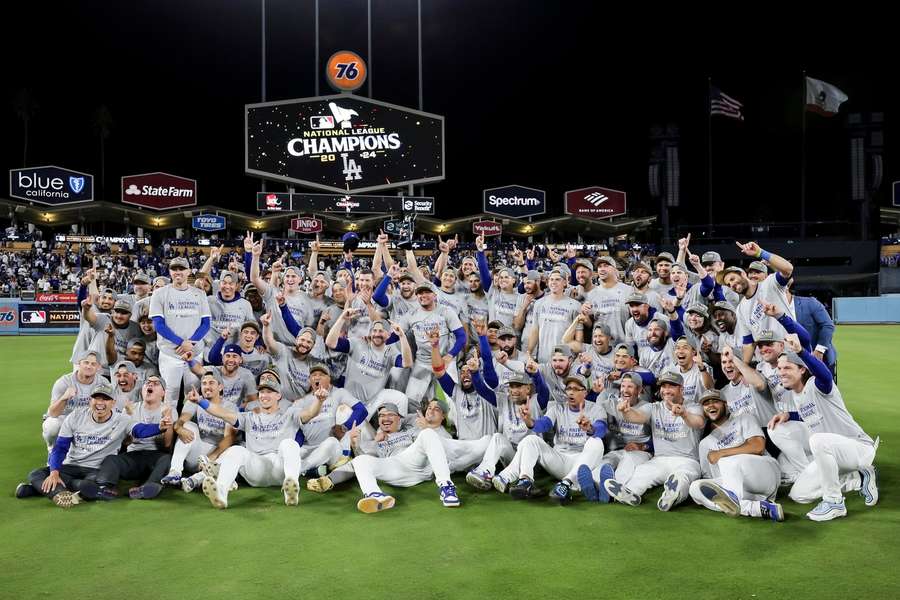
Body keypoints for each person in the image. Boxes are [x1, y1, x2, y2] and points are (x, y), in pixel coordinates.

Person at [772, 335, 878, 522]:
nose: (781, 372)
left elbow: (825, 375)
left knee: (817, 440)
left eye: (787, 367)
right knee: (799, 494)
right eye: (779, 368)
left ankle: (834, 502)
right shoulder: (797, 396)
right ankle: (859, 478)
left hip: (859, 449)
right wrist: (789, 415)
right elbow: (808, 414)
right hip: (836, 454)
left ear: (803, 369)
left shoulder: (819, 385)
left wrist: (800, 351)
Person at [16, 384, 171, 508]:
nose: (100, 403)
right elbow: (61, 447)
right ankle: (60, 494)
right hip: (70, 466)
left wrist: (159, 427)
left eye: (105, 399)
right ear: (90, 400)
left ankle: (39, 489)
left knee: (89, 485)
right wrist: (55, 472)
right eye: (96, 398)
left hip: (96, 470)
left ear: (113, 403)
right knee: (36, 474)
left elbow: (140, 430)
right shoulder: (76, 416)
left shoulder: (122, 419)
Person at [191, 378, 325, 509]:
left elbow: (310, 413)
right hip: (256, 469)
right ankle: (220, 492)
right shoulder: (249, 417)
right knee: (236, 450)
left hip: (279, 469)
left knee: (290, 444)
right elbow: (224, 414)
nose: (264, 396)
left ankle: (291, 487)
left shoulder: (290, 413)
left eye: (269, 392)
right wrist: (201, 401)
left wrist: (319, 401)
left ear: (278, 395)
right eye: (261, 392)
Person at [604, 371, 706, 511]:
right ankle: (630, 492)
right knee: (641, 472)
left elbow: (699, 423)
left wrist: (684, 414)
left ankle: (672, 495)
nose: (666, 390)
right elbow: (638, 417)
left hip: (687, 460)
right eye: (663, 386)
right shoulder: (654, 407)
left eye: (671, 386)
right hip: (660, 459)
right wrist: (626, 412)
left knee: (682, 477)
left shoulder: (693, 406)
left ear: (681, 389)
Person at [688, 390, 784, 522]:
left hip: (765, 474)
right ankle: (754, 507)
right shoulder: (705, 444)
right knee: (695, 488)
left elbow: (758, 447)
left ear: (725, 404)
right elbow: (714, 482)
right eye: (706, 403)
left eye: (715, 401)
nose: (711, 405)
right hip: (741, 488)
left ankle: (739, 501)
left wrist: (721, 453)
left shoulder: (744, 418)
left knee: (727, 461)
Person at [95, 375, 175, 499]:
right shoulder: (131, 408)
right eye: (148, 382)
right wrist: (129, 418)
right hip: (133, 455)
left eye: (156, 383)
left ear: (163, 392)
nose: (150, 385)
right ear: (142, 389)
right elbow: (124, 442)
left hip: (154, 457)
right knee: (111, 459)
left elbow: (167, 444)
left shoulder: (168, 409)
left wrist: (168, 420)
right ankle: (104, 488)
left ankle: (148, 487)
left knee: (167, 460)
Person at [161, 369, 238, 492]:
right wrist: (179, 428)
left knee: (233, 451)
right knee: (189, 426)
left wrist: (211, 457)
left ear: (220, 386)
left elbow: (229, 438)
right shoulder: (195, 400)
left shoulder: (230, 407)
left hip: (217, 453)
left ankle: (193, 480)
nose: (207, 387)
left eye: (211, 383)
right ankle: (175, 472)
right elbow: (180, 422)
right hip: (197, 454)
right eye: (204, 383)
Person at [149, 256, 211, 408]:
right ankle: (169, 429)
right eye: (174, 269)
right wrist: (182, 343)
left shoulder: (199, 294)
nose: (178, 272)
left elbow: (206, 323)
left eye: (182, 269)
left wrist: (190, 343)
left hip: (194, 354)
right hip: (170, 354)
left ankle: (189, 428)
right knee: (170, 396)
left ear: (189, 271)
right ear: (169, 272)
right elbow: (158, 325)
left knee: (194, 395)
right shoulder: (159, 293)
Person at [44, 350, 111, 450]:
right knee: (52, 425)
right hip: (64, 418)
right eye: (86, 362)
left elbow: (108, 409)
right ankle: (52, 447)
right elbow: (53, 413)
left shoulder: (103, 383)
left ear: (98, 367)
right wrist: (64, 398)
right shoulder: (64, 382)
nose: (89, 366)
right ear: (79, 363)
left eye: (93, 364)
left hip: (89, 420)